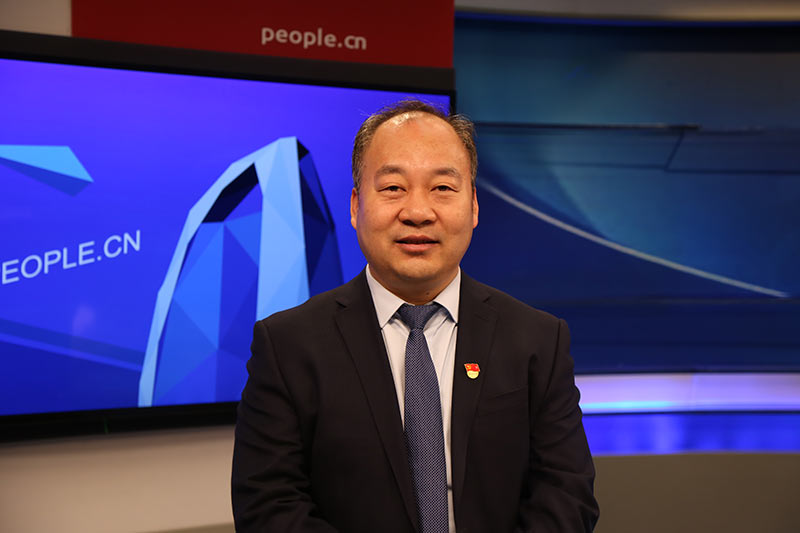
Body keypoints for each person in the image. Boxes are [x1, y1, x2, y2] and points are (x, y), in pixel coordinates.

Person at [231, 100, 599, 532]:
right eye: (393, 188)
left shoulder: (538, 340)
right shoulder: (287, 345)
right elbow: (269, 507)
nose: (418, 212)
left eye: (442, 188)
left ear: (473, 206)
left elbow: (566, 495)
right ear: (355, 206)